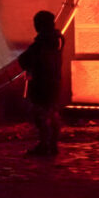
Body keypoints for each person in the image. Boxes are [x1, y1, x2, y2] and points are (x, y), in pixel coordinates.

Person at [17, 10, 64, 157]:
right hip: (53, 82)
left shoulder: (43, 42)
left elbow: (25, 59)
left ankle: (45, 145)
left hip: (42, 84)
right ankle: (53, 144)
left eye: (37, 23)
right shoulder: (57, 40)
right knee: (52, 114)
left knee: (41, 115)